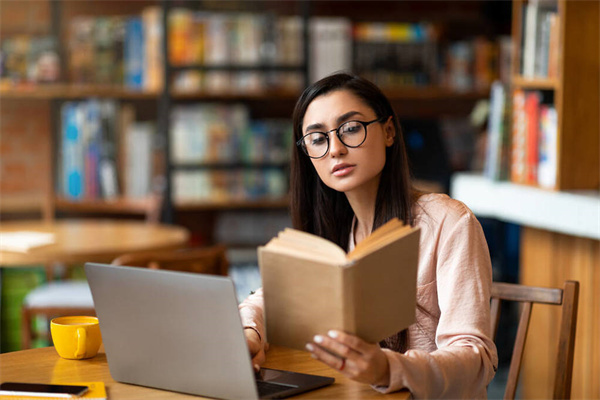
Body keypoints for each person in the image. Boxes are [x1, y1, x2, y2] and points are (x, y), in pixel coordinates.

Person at [239, 72, 498, 398]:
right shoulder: (331, 232)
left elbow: (477, 360)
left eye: (350, 129)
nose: (335, 149)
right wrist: (250, 332)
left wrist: (387, 368)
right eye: (317, 139)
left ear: (388, 131)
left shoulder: (447, 221)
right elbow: (268, 299)